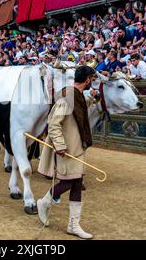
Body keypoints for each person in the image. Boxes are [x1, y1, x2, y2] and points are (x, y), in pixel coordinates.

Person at [37, 65, 97, 239]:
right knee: (68, 183)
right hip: (67, 149)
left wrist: (92, 99)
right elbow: (54, 123)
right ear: (87, 80)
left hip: (78, 148)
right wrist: (60, 145)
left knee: (77, 183)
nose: (91, 83)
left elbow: (78, 109)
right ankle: (44, 202)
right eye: (91, 80)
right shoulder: (66, 98)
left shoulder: (76, 96)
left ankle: (73, 225)